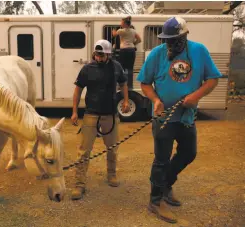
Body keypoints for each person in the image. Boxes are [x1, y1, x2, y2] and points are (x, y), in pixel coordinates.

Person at [137, 17, 222, 223]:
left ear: (184, 36)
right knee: (161, 159)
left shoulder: (199, 51)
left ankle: (166, 184)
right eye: (166, 40)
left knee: (188, 153)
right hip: (163, 118)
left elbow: (213, 79)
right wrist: (155, 99)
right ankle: (155, 201)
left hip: (186, 117)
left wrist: (196, 96)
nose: (169, 44)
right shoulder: (157, 54)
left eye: (174, 39)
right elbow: (145, 83)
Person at [70, 39, 130, 200]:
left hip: (110, 114)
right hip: (91, 114)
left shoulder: (116, 67)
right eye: (97, 54)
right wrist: (75, 111)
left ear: (108, 54)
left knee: (112, 147)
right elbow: (78, 91)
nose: (99, 57)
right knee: (84, 151)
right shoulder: (87, 69)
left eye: (102, 55)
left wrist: (125, 101)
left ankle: (111, 175)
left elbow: (123, 84)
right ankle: (79, 184)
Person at [112, 16, 142, 89]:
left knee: (122, 68)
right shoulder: (133, 31)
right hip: (131, 50)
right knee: (130, 68)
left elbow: (114, 35)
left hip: (124, 50)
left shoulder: (121, 31)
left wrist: (113, 30)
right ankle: (130, 86)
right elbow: (139, 40)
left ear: (125, 23)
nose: (120, 23)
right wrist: (133, 44)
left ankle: (122, 85)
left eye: (121, 22)